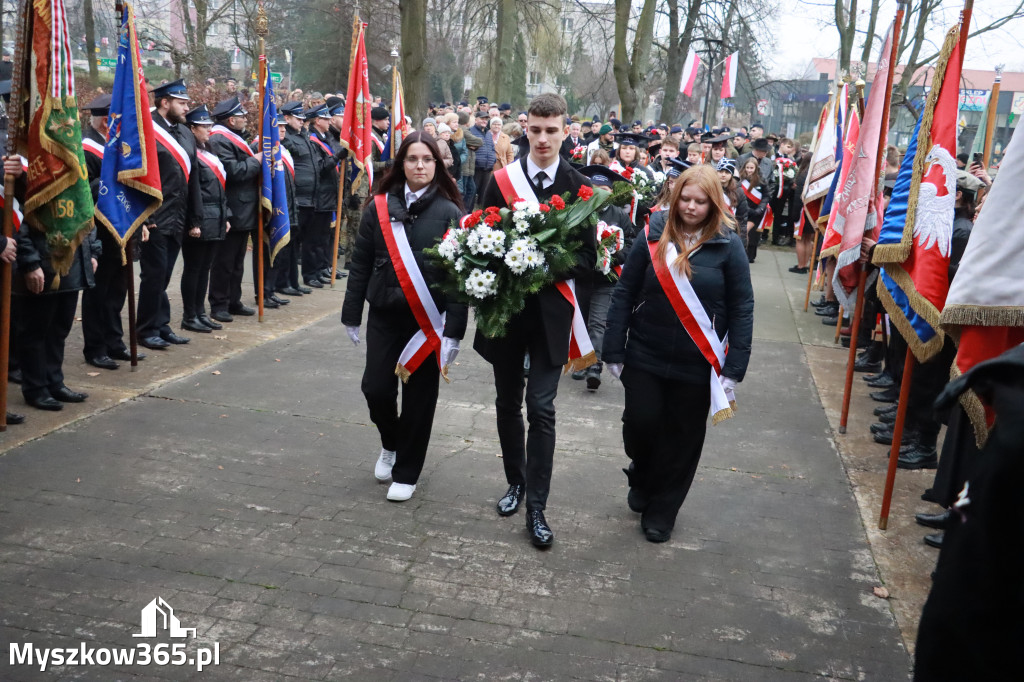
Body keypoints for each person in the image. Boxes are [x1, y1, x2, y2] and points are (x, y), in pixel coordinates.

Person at [603, 164, 754, 542]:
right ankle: (641, 471)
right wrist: (612, 348)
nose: (690, 207)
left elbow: (742, 306)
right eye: (684, 199)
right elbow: (624, 292)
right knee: (642, 423)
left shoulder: (728, 244)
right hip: (645, 353)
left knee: (682, 438)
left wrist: (735, 367)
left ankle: (662, 509)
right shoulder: (653, 235)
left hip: (697, 363)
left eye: (700, 201)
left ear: (714, 204)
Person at [475, 92, 596, 549]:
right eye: (536, 130)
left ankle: (538, 508)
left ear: (566, 131)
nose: (543, 139)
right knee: (507, 402)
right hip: (506, 314)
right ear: (525, 129)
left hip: (550, 316)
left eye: (552, 130)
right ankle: (517, 481)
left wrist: (548, 261)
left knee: (542, 407)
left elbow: (589, 259)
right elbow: (478, 235)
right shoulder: (500, 180)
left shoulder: (580, 186)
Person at [341, 132, 467, 502]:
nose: (420, 166)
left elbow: (459, 277)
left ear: (437, 165)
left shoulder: (449, 213)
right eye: (412, 159)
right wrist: (351, 315)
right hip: (384, 314)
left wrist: (454, 332)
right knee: (376, 389)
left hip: (427, 322)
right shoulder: (378, 207)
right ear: (401, 164)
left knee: (419, 399)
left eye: (427, 159)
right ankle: (390, 443)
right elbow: (360, 264)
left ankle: (407, 472)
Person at [7, 154, 100, 412]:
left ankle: (54, 382)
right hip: (43, 264)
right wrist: (30, 263)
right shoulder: (37, 177)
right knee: (36, 330)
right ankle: (35, 388)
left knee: (59, 329)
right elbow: (20, 224)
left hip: (71, 266)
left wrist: (93, 252)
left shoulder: (75, 173)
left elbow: (85, 215)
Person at [138, 79, 202, 349]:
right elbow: (138, 176)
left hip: (179, 216)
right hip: (154, 217)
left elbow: (193, 177)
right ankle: (145, 329)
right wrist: (144, 216)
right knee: (153, 276)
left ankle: (161, 325)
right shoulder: (146, 129)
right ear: (165, 102)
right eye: (182, 102)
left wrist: (195, 218)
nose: (187, 107)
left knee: (164, 276)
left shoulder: (185, 133)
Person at [79, 93, 142, 370]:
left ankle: (114, 341)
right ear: (108, 122)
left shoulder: (115, 147)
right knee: (98, 292)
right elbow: (84, 190)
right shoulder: (86, 148)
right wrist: (112, 179)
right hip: (99, 231)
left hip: (123, 228)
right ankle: (95, 347)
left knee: (118, 290)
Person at [573, 165, 637, 391]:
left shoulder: (619, 215)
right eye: (594, 188)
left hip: (606, 280)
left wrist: (614, 256)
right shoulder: (578, 210)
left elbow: (630, 243)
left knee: (598, 323)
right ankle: (581, 362)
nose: (599, 192)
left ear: (611, 191)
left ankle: (595, 367)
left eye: (604, 188)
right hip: (581, 278)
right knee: (579, 323)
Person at [208, 96, 265, 316]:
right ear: (231, 120)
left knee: (238, 260)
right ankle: (219, 303)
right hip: (232, 208)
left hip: (244, 209)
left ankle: (234, 300)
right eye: (241, 116)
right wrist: (256, 160)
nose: (245, 119)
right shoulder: (220, 139)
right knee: (224, 260)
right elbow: (232, 171)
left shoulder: (234, 138)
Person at [181, 105, 229, 333]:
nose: (209, 129)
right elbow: (193, 192)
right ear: (192, 128)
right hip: (200, 220)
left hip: (215, 217)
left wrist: (225, 216)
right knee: (194, 268)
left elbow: (219, 188)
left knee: (204, 269)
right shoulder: (190, 153)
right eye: (204, 126)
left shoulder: (208, 150)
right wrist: (195, 222)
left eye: (210, 125)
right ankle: (189, 315)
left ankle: (200, 312)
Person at [279, 101, 318, 293]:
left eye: (303, 119)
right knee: (289, 242)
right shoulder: (286, 138)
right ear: (286, 118)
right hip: (297, 197)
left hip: (309, 198)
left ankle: (294, 282)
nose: (302, 122)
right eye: (298, 118)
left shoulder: (304, 137)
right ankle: (284, 282)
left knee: (296, 244)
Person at [739, 157, 768, 263]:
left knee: (746, 231)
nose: (749, 170)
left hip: (756, 212)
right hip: (743, 211)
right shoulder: (740, 179)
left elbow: (766, 195)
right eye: (747, 167)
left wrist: (760, 208)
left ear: (756, 168)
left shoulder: (761, 180)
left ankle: (746, 254)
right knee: (742, 231)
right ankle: (743, 253)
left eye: (751, 168)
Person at [717, 158, 748, 247]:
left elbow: (742, 219)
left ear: (731, 174)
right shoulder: (711, 189)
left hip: (731, 232)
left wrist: (742, 242)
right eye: (720, 172)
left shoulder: (739, 192)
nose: (723, 175)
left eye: (726, 172)